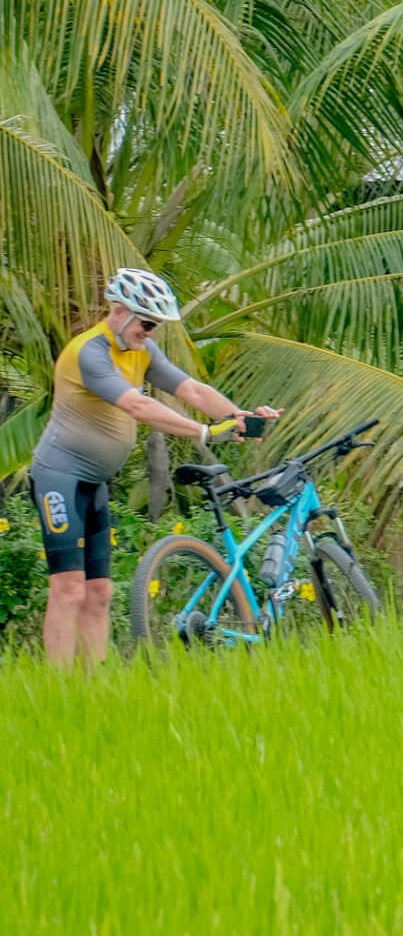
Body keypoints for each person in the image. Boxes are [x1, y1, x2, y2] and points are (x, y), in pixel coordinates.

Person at [32, 268, 275, 668]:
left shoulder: (141, 350)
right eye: (146, 323)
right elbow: (138, 406)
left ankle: (90, 690)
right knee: (69, 589)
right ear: (119, 311)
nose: (150, 332)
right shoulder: (89, 351)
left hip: (93, 484)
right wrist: (204, 432)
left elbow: (191, 390)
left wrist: (238, 416)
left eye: (155, 325)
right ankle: (58, 690)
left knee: (100, 592)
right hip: (59, 476)